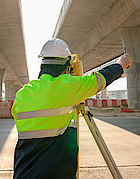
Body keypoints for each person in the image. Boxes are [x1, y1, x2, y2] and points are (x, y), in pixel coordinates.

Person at [11, 38, 132, 179]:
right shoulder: (66, 87)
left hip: (23, 173)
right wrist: (121, 65)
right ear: (67, 67)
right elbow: (99, 79)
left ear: (41, 66)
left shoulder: (22, 93)